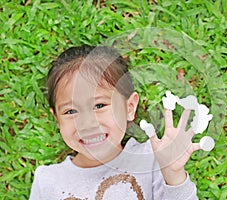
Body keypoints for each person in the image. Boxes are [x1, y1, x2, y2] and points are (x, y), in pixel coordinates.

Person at [29, 45, 200, 200]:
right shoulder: (47, 181)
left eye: (99, 105)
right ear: (57, 119)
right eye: (71, 111)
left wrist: (174, 176)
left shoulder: (151, 159)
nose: (87, 123)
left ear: (129, 108)